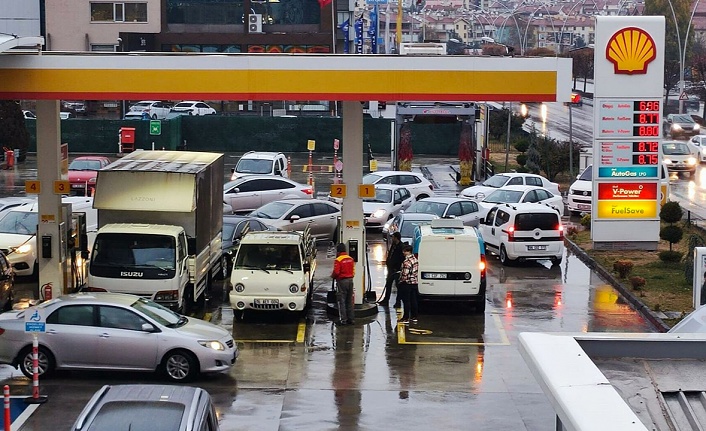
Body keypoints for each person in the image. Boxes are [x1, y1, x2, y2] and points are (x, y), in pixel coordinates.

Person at [332, 242, 355, 325]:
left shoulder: (338, 260)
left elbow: (336, 272)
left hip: (342, 282)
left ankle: (343, 320)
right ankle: (351, 319)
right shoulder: (350, 259)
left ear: (338, 251)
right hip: (350, 280)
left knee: (342, 301)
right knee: (349, 301)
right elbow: (353, 271)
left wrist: (332, 276)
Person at [380, 232, 404, 307]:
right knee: (388, 284)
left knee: (398, 286)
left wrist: (397, 267)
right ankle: (386, 300)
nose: (392, 238)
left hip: (396, 270)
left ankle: (398, 302)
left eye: (393, 237)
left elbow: (400, 259)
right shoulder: (394, 245)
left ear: (396, 238)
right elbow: (391, 255)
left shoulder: (401, 247)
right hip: (390, 269)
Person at [397, 244, 419, 324]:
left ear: (408, 252)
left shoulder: (407, 262)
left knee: (406, 301)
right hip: (414, 283)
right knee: (414, 300)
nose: (403, 253)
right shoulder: (415, 259)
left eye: (404, 251)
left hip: (407, 283)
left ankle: (406, 318)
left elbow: (405, 274)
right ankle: (414, 316)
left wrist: (401, 281)